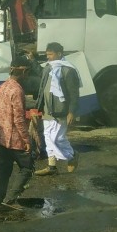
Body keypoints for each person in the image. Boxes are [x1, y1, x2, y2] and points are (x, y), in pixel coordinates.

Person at [0, 57, 34, 210]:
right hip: (15, 139)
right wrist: (27, 139)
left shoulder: (1, 88)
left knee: (3, 170)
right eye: (27, 72)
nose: (27, 76)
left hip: (2, 137)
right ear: (23, 71)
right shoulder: (17, 90)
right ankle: (10, 200)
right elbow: (19, 119)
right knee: (27, 167)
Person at [34, 42, 80, 176]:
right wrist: (32, 61)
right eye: (47, 54)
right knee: (48, 138)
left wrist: (71, 112)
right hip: (47, 110)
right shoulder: (49, 67)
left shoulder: (68, 70)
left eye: (50, 54)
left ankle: (72, 155)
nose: (48, 57)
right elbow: (40, 74)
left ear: (59, 54)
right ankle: (51, 166)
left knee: (57, 138)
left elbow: (74, 94)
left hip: (61, 111)